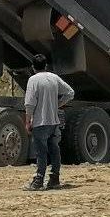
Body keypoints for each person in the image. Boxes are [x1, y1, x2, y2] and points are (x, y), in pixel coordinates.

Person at [23, 54, 74, 191]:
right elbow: (70, 92)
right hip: (53, 122)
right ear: (46, 66)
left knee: (41, 152)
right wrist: (57, 104)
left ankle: (38, 180)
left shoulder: (33, 80)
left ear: (33, 67)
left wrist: (28, 121)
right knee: (54, 150)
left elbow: (29, 103)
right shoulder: (54, 78)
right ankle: (54, 178)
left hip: (40, 122)